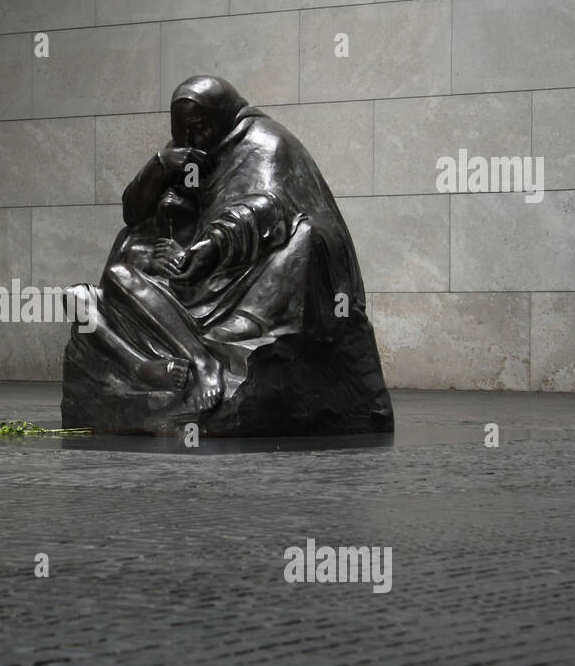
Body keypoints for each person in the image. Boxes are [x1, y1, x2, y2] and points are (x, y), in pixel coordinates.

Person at [62, 75, 393, 436]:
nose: (193, 140)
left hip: (239, 273)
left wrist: (202, 252)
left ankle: (201, 360)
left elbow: (268, 207)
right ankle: (157, 365)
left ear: (221, 115)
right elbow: (134, 212)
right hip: (192, 272)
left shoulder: (266, 144)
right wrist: (160, 165)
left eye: (199, 128)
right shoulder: (192, 152)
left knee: (306, 240)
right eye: (184, 133)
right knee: (111, 278)